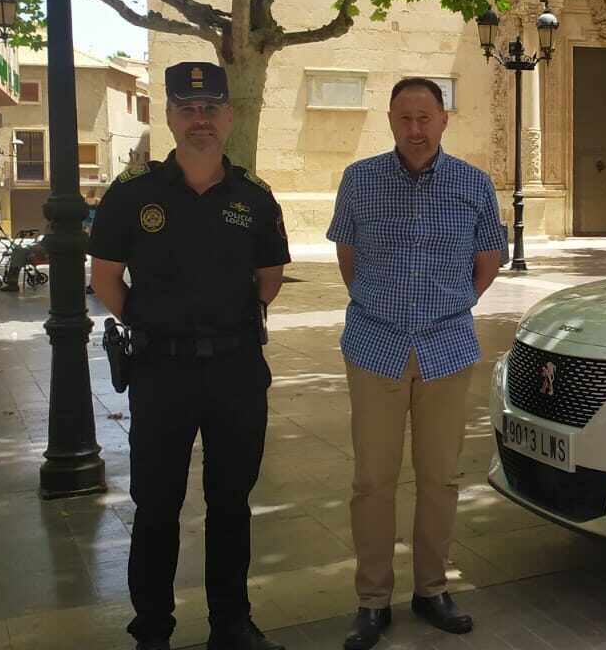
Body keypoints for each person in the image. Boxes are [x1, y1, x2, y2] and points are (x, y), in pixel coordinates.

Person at [89, 61, 290, 650]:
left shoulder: (254, 196)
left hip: (235, 370)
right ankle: (152, 629)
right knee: (156, 504)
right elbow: (105, 280)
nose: (200, 119)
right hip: (161, 371)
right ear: (170, 117)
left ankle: (231, 623)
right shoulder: (134, 194)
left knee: (232, 502)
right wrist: (154, 325)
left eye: (210, 109)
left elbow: (269, 279)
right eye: (187, 108)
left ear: (228, 116)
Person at [328, 77, 503, 647]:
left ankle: (432, 589)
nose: (416, 129)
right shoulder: (359, 181)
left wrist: (450, 307)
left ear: (444, 120)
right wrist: (388, 311)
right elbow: (348, 259)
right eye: (405, 118)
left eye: (426, 117)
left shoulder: (474, 185)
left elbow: (486, 263)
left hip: (446, 350)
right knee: (372, 481)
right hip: (375, 349)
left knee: (440, 478)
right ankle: (372, 600)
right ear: (390, 121)